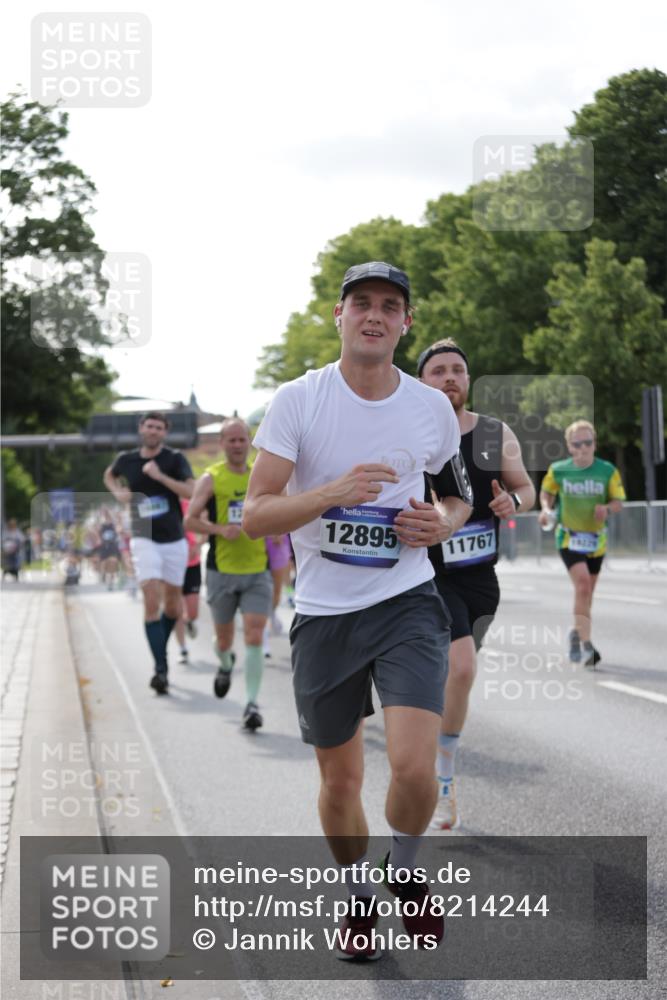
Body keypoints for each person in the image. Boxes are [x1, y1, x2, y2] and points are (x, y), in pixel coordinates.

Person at [243, 262, 472, 961]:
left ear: (405, 323)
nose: (375, 314)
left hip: (407, 601)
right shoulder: (299, 400)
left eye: (389, 306)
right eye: (361, 303)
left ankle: (404, 868)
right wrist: (329, 494)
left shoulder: (429, 407)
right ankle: (356, 896)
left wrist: (440, 523)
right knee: (340, 783)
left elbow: (455, 495)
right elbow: (255, 514)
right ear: (338, 316)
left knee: (413, 769)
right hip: (323, 613)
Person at [418, 339, 536, 830]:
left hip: (482, 578)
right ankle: (442, 778)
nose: (449, 377)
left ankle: (430, 746)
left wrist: (514, 502)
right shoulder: (413, 431)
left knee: (453, 676)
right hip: (429, 574)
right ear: (422, 382)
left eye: (457, 370)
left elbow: (526, 488)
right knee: (461, 668)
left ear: (468, 379)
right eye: (438, 371)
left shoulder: (494, 432)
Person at [184, 418, 272, 731]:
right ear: (222, 443)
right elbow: (190, 521)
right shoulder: (211, 478)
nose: (237, 445)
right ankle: (224, 664)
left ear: (249, 442)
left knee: (254, 635)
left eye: (241, 439)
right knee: (224, 640)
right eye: (231, 440)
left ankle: (251, 704)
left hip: (257, 568)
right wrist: (220, 529)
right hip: (221, 570)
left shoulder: (260, 475)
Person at [103, 412, 194, 694]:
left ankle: (160, 650)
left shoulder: (174, 459)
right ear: (141, 428)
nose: (153, 431)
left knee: (173, 607)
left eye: (159, 427)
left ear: (164, 433)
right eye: (149, 426)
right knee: (151, 599)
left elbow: (190, 491)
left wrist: (160, 477)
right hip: (144, 539)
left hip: (174, 540)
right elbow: (109, 475)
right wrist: (118, 491)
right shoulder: (126, 459)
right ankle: (160, 669)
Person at [539, 419, 625, 667]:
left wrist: (607, 509)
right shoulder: (559, 470)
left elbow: (618, 501)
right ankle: (587, 646)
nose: (583, 448)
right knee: (583, 585)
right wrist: (546, 509)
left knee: (587, 594)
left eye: (587, 443)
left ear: (594, 444)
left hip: (596, 541)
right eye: (577, 444)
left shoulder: (607, 471)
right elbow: (547, 493)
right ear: (569, 446)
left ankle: (576, 633)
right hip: (569, 538)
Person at [174, 498, 202, 664]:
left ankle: (188, 621)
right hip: (172, 565)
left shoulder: (191, 504)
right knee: (175, 608)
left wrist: (197, 545)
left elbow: (204, 527)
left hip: (192, 564)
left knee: (192, 612)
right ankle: (182, 648)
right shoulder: (162, 503)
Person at [262, 533, 292, 656]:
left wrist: (281, 532)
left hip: (277, 545)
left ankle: (272, 614)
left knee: (276, 592)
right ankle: (263, 640)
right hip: (258, 544)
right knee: (261, 594)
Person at [97, 507, 121, 590]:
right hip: (104, 546)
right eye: (105, 513)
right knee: (103, 563)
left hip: (113, 546)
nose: (106, 515)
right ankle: (103, 575)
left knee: (112, 564)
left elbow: (118, 530)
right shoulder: (101, 524)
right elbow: (98, 532)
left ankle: (110, 582)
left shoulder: (113, 524)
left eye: (107, 513)